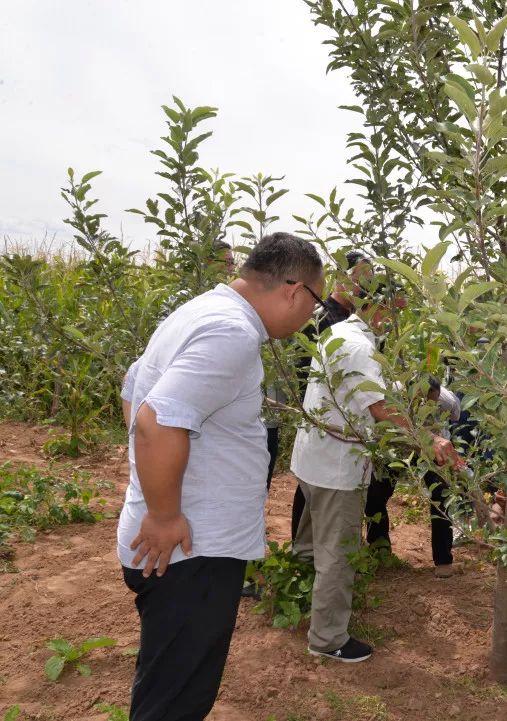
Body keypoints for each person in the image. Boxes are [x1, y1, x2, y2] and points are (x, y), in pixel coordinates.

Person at [118, 232, 324, 721]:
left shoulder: (201, 311)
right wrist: (165, 514)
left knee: (165, 684)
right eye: (314, 302)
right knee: (176, 704)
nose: (308, 317)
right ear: (293, 290)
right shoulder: (230, 332)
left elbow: (132, 386)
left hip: (183, 547)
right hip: (192, 551)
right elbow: (157, 419)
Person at [290, 277, 461, 663]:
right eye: (394, 310)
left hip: (314, 460)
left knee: (310, 541)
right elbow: (380, 409)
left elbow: (366, 389)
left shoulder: (340, 335)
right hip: (337, 468)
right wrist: (430, 439)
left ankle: (299, 599)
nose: (395, 319)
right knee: (338, 553)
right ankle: (327, 637)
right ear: (376, 307)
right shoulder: (359, 346)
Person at [289, 249, 382, 540]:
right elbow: (306, 370)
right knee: (315, 489)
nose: (365, 287)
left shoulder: (360, 321)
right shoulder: (322, 318)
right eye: (360, 278)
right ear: (342, 277)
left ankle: (376, 542)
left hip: (355, 422)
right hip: (327, 419)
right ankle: (304, 550)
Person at [364, 377, 462, 577]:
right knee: (376, 494)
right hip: (399, 445)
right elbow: (379, 416)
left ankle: (443, 559)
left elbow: (455, 417)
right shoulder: (393, 395)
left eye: (431, 403)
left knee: (441, 496)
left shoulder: (447, 400)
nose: (427, 406)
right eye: (422, 402)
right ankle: (379, 547)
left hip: (432, 448)